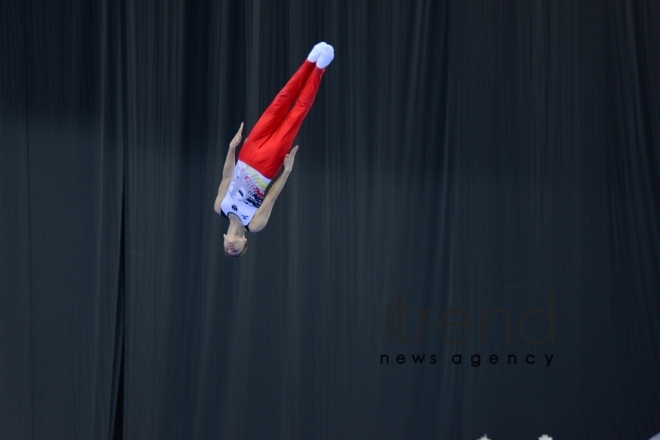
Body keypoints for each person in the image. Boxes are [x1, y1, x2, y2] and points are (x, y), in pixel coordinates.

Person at [214, 42, 334, 257]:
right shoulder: (255, 224)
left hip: (246, 154)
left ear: (224, 239)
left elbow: (226, 176)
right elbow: (271, 198)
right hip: (266, 167)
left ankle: (309, 62)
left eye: (227, 249)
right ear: (244, 240)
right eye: (237, 251)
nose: (231, 249)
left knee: (279, 103)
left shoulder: (220, 207)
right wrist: (286, 171)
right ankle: (319, 69)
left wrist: (232, 148)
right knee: (296, 115)